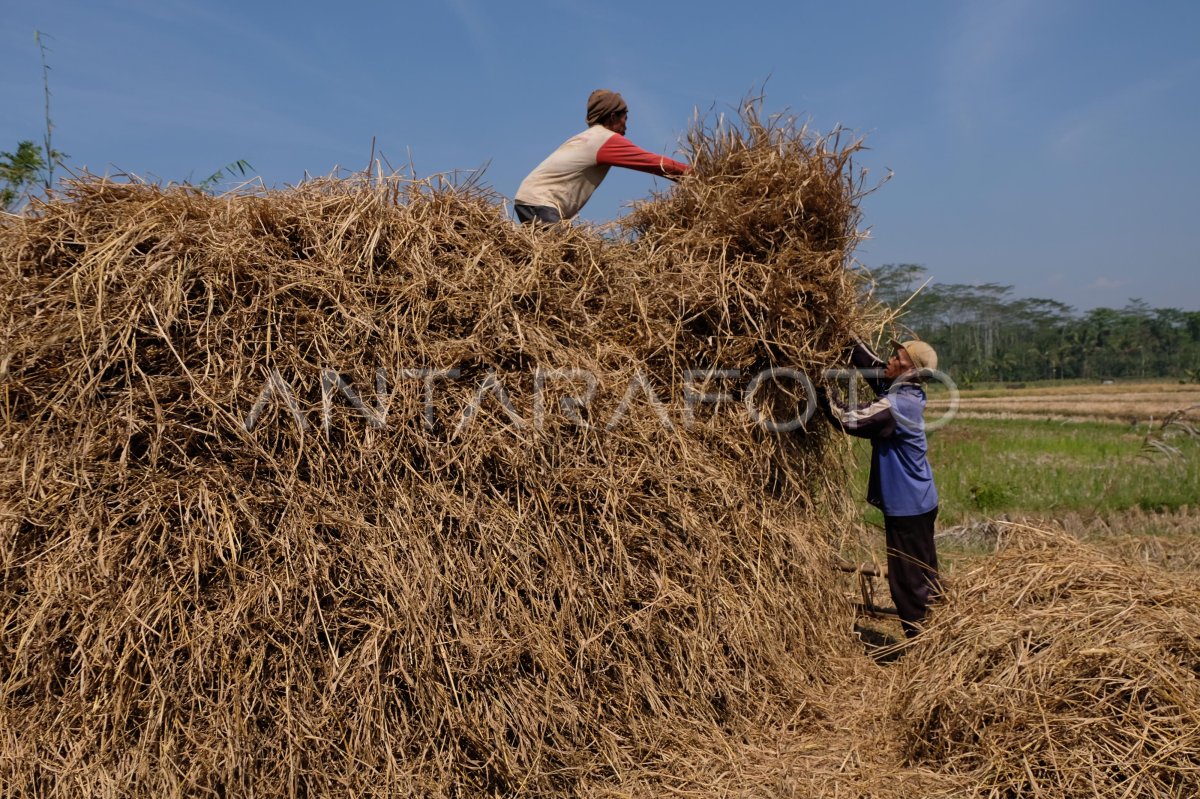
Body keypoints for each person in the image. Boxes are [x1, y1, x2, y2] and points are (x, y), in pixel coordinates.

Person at [818, 337, 941, 638]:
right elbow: (874, 367)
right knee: (925, 574)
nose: (889, 360)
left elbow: (846, 417)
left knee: (908, 582)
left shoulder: (897, 405)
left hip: (908, 506)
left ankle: (923, 644)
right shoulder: (907, 393)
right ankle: (940, 628)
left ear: (909, 370)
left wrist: (817, 384)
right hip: (919, 501)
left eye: (897, 358)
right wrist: (847, 340)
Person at [513, 89, 690, 224]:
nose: (626, 126)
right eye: (625, 118)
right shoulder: (605, 140)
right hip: (542, 202)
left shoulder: (587, 137)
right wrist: (696, 174)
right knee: (573, 262)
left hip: (531, 199)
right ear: (613, 117)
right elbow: (654, 163)